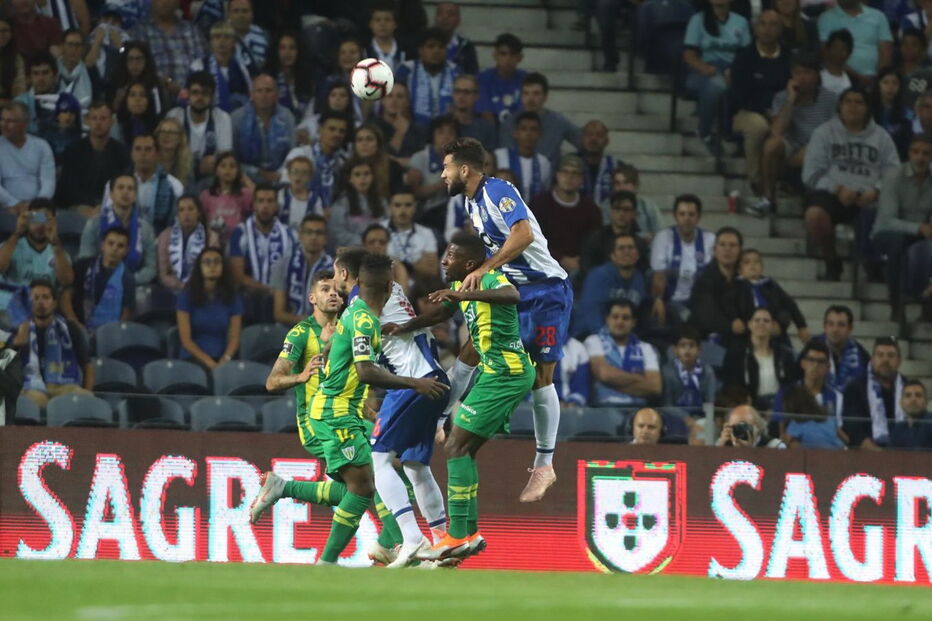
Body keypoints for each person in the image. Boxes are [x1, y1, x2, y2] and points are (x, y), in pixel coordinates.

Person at [250, 252, 447, 565]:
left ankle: (285, 489)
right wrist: (302, 376)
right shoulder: (307, 332)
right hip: (325, 417)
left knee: (371, 480)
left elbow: (356, 369)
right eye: (324, 288)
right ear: (312, 297)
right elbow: (273, 381)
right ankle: (387, 546)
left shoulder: (350, 319)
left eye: (334, 287)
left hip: (348, 412)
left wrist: (366, 404)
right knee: (372, 479)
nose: (332, 293)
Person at [379, 234, 531, 560]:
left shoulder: (488, 277)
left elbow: (512, 293)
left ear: (470, 264)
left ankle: (456, 536)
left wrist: (465, 291)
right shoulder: (464, 287)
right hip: (497, 374)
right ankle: (470, 533)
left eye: (450, 256)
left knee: (455, 445)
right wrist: (403, 327)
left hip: (506, 373)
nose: (444, 261)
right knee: (465, 448)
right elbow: (439, 315)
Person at [440, 137, 574, 503]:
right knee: (470, 349)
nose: (442, 175)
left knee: (542, 376)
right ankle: (440, 418)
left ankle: (544, 464)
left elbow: (524, 233)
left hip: (546, 291)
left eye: (447, 168)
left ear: (464, 169)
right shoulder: (471, 203)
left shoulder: (498, 189)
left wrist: (484, 268)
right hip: (514, 291)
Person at [326, 247, 452, 566]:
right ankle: (442, 544)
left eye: (337, 272)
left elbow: (363, 366)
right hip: (433, 375)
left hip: (413, 382)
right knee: (415, 466)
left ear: (348, 275)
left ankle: (412, 538)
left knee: (380, 459)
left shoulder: (361, 308)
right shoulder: (390, 290)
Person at [803, 86, 900, 280]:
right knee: (814, 215)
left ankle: (874, 263)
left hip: (871, 196)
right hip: (834, 194)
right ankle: (831, 260)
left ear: (867, 108)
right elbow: (810, 174)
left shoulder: (882, 137)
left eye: (859, 102)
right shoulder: (824, 133)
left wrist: (877, 190)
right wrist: (837, 189)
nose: (853, 107)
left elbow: (894, 173)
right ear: (839, 106)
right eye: (848, 101)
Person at [758, 52, 837, 213]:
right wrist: (791, 100)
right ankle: (768, 198)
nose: (802, 78)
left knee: (813, 150)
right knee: (771, 145)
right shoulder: (782, 97)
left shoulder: (830, 98)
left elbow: (835, 133)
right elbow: (776, 132)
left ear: (817, 75)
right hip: (792, 147)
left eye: (807, 73)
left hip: (820, 149)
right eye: (797, 73)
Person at [731, 11, 792, 206]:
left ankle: (789, 182)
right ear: (756, 28)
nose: (767, 29)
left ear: (781, 29)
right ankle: (757, 180)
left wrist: (778, 113)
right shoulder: (744, 57)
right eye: (763, 24)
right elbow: (739, 94)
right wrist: (767, 112)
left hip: (783, 112)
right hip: (747, 112)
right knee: (759, 126)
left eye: (773, 25)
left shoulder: (789, 57)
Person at [871, 135, 932, 317]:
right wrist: (919, 228)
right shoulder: (893, 177)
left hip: (921, 232)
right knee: (897, 243)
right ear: (909, 153)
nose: (920, 157)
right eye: (916, 152)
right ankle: (896, 304)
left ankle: (927, 301)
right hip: (888, 232)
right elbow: (887, 220)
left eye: (926, 153)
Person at [682, 0, 751, 154]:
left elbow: (745, 55)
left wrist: (734, 70)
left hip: (731, 70)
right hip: (703, 70)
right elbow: (689, 54)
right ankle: (704, 131)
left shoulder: (741, 22)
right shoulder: (698, 20)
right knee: (717, 85)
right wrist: (705, 68)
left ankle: (732, 133)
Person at [14, 279, 92, 408]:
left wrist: (88, 391)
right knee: (35, 400)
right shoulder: (18, 329)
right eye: (35, 298)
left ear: (54, 303)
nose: (40, 302)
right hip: (31, 389)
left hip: (63, 388)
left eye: (45, 297)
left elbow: (87, 366)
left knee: (88, 398)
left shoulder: (71, 329)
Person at [229, 183, 296, 318]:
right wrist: (269, 290)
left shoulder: (289, 235)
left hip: (282, 299)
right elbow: (238, 276)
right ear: (253, 205)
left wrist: (278, 293)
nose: (265, 206)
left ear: (277, 206)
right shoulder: (240, 232)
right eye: (260, 201)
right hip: (249, 299)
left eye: (270, 201)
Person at [0, 198, 73, 322]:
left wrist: (55, 243)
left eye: (45, 219)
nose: (40, 225)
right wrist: (17, 233)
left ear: (54, 222)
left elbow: (67, 281)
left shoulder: (59, 253)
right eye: (36, 218)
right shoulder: (11, 245)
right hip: (7, 309)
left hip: (42, 313)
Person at [530, 154, 602, 276]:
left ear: (582, 179)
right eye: (565, 172)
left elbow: (594, 243)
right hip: (543, 264)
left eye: (575, 173)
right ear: (557, 175)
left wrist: (580, 261)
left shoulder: (591, 209)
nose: (570, 177)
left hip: (580, 267)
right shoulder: (539, 204)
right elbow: (532, 239)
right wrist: (561, 259)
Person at [649, 195, 716, 326]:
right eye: (682, 214)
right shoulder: (663, 237)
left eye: (691, 214)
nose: (687, 219)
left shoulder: (710, 239)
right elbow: (658, 274)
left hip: (700, 301)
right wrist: (658, 300)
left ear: (698, 217)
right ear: (675, 216)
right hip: (671, 300)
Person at [79, 173, 156, 286]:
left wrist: (128, 281)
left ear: (135, 195)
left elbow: (151, 267)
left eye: (130, 188)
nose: (125, 192)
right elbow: (84, 260)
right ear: (111, 194)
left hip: (134, 285)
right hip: (98, 283)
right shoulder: (94, 224)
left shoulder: (145, 228)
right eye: (120, 187)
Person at [585, 298, 662, 408]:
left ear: (633, 322)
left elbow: (655, 387)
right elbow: (605, 375)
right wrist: (640, 379)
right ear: (607, 319)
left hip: (639, 410)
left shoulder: (646, 348)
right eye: (615, 317)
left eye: (625, 318)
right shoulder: (593, 341)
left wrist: (611, 382)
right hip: (603, 408)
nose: (620, 321)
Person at [176, 247, 242, 370]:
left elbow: (234, 338)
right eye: (207, 262)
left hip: (223, 358)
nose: (212, 266)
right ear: (199, 267)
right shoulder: (186, 296)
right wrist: (209, 363)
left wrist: (225, 360)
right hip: (193, 358)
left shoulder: (233, 297)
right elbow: (186, 340)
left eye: (217, 262)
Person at [773, 339, 845, 448]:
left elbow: (838, 432)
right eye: (811, 360)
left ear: (828, 367)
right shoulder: (786, 393)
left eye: (821, 361)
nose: (815, 365)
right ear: (803, 363)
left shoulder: (837, 397)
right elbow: (781, 432)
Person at [497, 73, 582, 166]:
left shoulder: (558, 121)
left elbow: (583, 142)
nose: (530, 99)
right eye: (526, 93)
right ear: (521, 96)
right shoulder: (509, 123)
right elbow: (506, 157)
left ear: (545, 96)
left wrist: (567, 160)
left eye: (536, 93)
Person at [722, 306, 798, 410]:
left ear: (772, 325)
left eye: (766, 321)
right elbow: (731, 387)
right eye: (757, 320)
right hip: (748, 409)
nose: (761, 323)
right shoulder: (736, 355)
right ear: (749, 324)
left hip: (780, 411)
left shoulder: (785, 355)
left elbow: (791, 387)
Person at [56, 101, 127, 211]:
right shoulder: (73, 150)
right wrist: (81, 207)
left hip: (111, 208)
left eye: (103, 118)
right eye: (94, 118)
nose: (98, 123)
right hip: (77, 208)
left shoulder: (121, 152)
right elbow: (68, 187)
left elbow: (122, 186)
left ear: (112, 121)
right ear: (87, 121)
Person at [576, 233, 648, 338]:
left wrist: (657, 299)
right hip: (589, 335)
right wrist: (608, 341)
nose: (626, 252)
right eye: (621, 248)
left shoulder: (639, 278)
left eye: (630, 248)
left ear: (637, 254)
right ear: (613, 256)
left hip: (622, 337)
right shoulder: (599, 276)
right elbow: (591, 314)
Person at [109, 134, 183, 234]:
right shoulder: (115, 184)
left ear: (157, 154)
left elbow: (177, 224)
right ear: (131, 153)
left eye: (148, 149)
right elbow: (108, 216)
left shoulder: (174, 186)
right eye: (138, 149)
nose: (143, 154)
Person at [841, 337, 908, 449]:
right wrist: (877, 453)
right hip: (866, 456)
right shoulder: (855, 387)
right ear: (872, 359)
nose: (885, 360)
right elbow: (853, 427)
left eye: (891, 356)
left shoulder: (908, 387)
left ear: (899, 361)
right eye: (880, 355)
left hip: (905, 454)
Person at [64, 226, 135, 330]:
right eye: (110, 243)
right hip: (78, 329)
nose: (114, 249)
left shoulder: (127, 278)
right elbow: (65, 296)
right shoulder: (83, 265)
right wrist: (74, 322)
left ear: (126, 251)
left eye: (120, 246)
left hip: (110, 334)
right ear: (102, 245)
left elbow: (126, 313)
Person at [166, 71, 233, 180]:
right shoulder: (175, 116)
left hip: (211, 177)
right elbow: (167, 153)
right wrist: (194, 166)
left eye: (205, 93)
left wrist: (215, 162)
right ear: (188, 94)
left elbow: (225, 156)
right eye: (195, 92)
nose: (200, 97)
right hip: (180, 175)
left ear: (212, 96)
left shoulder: (222, 118)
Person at [231, 73, 296, 183]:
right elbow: (232, 159)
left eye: (268, 90)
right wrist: (258, 173)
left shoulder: (287, 116)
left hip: (280, 177)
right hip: (245, 179)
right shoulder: (237, 117)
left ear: (277, 94)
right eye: (259, 91)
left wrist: (280, 175)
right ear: (251, 94)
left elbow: (292, 153)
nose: (264, 95)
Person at [271, 214, 333, 326]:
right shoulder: (284, 264)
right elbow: (278, 314)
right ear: (300, 236)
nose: (314, 237)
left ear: (326, 238)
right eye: (309, 232)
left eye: (319, 233)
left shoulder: (334, 268)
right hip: (289, 330)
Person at [736, 248, 809, 343]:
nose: (752, 265)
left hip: (773, 330)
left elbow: (790, 304)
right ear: (739, 270)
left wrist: (801, 326)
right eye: (747, 262)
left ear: (762, 268)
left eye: (756, 262)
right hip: (747, 333)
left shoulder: (770, 285)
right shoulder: (736, 287)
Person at [689, 226, 745, 345]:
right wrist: (733, 326)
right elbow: (707, 317)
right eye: (722, 245)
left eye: (732, 245)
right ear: (715, 250)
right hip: (708, 338)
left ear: (740, 250)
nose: (727, 249)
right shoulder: (703, 279)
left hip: (743, 335)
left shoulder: (747, 278)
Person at [131, 0, 205, 89]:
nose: (165, 2)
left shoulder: (192, 31)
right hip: (155, 95)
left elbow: (203, 65)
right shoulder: (139, 32)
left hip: (192, 97)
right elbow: (137, 69)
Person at [156, 195, 220, 293]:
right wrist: (182, 286)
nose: (186, 214)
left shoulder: (211, 237)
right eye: (181, 210)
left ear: (199, 212)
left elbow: (213, 269)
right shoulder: (165, 236)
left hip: (203, 289)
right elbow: (163, 274)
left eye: (191, 209)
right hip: (173, 289)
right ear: (177, 214)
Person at [394, 27, 459, 125]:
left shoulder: (455, 71)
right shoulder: (407, 70)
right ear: (421, 50)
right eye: (431, 46)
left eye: (441, 47)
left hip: (448, 128)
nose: (436, 51)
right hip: (413, 128)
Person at [817, 0, 892, 82]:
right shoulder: (826, 18)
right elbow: (827, 55)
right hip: (841, 78)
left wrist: (879, 79)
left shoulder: (878, 17)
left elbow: (885, 52)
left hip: (875, 80)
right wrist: (858, 77)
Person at [189, 20, 254, 113]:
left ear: (233, 42)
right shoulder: (199, 66)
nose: (222, 41)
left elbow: (249, 96)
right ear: (211, 42)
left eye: (227, 37)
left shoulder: (241, 68)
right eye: (217, 37)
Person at [0, 101, 54, 210]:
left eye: (10, 121)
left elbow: (49, 181)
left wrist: (37, 205)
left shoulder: (42, 146)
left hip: (38, 206)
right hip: (6, 207)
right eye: (2, 120)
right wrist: (14, 204)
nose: (4, 125)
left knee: (41, 222)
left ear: (24, 123)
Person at [580, 190, 650, 275]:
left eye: (626, 210)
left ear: (634, 213)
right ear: (611, 211)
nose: (621, 213)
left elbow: (643, 270)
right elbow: (587, 267)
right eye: (617, 209)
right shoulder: (595, 239)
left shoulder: (640, 243)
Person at [409, 115, 459, 231]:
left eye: (451, 133)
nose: (446, 137)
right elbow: (414, 193)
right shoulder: (420, 158)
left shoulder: (463, 160)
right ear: (433, 136)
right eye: (441, 133)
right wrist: (441, 184)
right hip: (427, 214)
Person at [382, 189, 439, 281]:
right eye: (397, 205)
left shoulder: (426, 233)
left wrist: (394, 262)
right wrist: (414, 266)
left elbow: (432, 271)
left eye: (408, 205)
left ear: (415, 207)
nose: (403, 210)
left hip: (419, 287)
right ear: (390, 208)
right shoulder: (379, 229)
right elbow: (377, 266)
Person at [493, 111, 552, 201]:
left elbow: (544, 191)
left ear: (540, 134)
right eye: (523, 129)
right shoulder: (500, 156)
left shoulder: (544, 162)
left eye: (533, 129)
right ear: (515, 133)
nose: (528, 133)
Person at [661, 324, 717, 419]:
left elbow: (710, 403)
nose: (687, 349)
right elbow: (667, 405)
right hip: (674, 419)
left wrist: (708, 420)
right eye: (682, 345)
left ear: (699, 349)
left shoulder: (707, 372)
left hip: (700, 419)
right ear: (675, 350)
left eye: (691, 345)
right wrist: (687, 420)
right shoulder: (666, 372)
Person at [328, 159, 387, 249]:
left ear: (372, 177)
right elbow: (337, 233)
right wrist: (365, 242)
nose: (362, 178)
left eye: (366, 174)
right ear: (350, 179)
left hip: (379, 249)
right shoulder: (341, 203)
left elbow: (388, 226)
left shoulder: (382, 202)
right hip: (352, 252)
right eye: (357, 174)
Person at [264, 30, 314, 119]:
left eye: (292, 48)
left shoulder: (308, 79)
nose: (287, 53)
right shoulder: (267, 79)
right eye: (282, 48)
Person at [477, 33, 526, 123]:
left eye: (512, 54)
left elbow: (526, 113)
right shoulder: (482, 79)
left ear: (520, 58)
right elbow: (485, 113)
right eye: (503, 54)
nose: (508, 58)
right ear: (495, 55)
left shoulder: (527, 80)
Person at [373, 82, 427, 162]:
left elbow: (422, 161)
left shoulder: (418, 130)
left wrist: (396, 160)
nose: (394, 101)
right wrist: (400, 133)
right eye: (389, 96)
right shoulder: (373, 127)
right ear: (383, 100)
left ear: (407, 102)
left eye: (399, 96)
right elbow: (378, 159)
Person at [868, 67, 911, 160]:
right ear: (878, 84)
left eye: (895, 83)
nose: (890, 87)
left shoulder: (906, 113)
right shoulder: (867, 109)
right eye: (885, 82)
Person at [611, 165, 663, 241]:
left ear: (636, 185)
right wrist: (643, 237)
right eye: (617, 183)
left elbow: (660, 234)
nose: (621, 187)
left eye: (626, 183)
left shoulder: (648, 206)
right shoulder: (606, 207)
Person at [578, 120, 617, 214]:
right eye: (589, 134)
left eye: (599, 135)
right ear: (582, 139)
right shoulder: (570, 165)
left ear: (607, 141)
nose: (593, 138)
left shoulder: (616, 167)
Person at [449, 74, 496, 149]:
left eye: (466, 92)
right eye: (457, 91)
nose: (461, 96)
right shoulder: (442, 125)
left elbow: (490, 156)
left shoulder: (486, 128)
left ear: (476, 96)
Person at [277, 156, 323, 231]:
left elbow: (319, 225)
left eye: (304, 173)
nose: (299, 176)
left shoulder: (315, 200)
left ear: (310, 177)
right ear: (289, 174)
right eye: (295, 171)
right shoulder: (280, 195)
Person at [362, 224, 412, 290]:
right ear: (364, 244)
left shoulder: (397, 267)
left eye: (382, 242)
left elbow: (404, 293)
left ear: (387, 244)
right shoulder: (355, 265)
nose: (377, 245)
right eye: (371, 242)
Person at [435, 2, 478, 74]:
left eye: (451, 14)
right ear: (435, 18)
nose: (445, 17)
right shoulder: (423, 44)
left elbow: (473, 75)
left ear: (458, 21)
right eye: (440, 13)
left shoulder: (466, 47)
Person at [888, 380, 932, 450]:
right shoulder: (898, 429)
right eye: (908, 396)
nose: (913, 399)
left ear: (926, 402)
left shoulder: (930, 423)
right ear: (901, 403)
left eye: (918, 395)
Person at [717, 404, 787, 447]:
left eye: (744, 426)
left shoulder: (775, 446)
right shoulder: (724, 445)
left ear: (758, 428)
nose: (740, 430)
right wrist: (720, 450)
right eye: (735, 427)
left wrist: (750, 452)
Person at [57, 28, 93, 110]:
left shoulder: (91, 72)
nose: (73, 49)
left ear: (83, 49)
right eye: (70, 44)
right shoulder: (53, 70)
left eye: (77, 45)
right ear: (62, 46)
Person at [366, 1, 406, 72]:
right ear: (370, 24)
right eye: (377, 20)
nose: (382, 24)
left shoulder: (405, 50)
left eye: (387, 20)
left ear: (395, 24)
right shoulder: (364, 50)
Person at [228, 0, 268, 69]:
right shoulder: (220, 34)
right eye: (236, 11)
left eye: (245, 11)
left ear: (252, 14)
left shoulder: (264, 36)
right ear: (229, 14)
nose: (241, 15)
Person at [154, 117, 193, 186]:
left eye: (172, 132)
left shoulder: (189, 163)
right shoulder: (150, 160)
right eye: (162, 131)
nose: (166, 135)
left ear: (180, 138)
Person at [820, 28, 855, 96]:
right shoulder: (817, 75)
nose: (838, 51)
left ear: (849, 53)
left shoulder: (853, 80)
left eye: (843, 48)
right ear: (827, 49)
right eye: (835, 47)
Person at [0, 16, 26, 103]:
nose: (1, 34)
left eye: (5, 31)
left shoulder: (16, 58)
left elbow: (20, 85)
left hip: (10, 105)